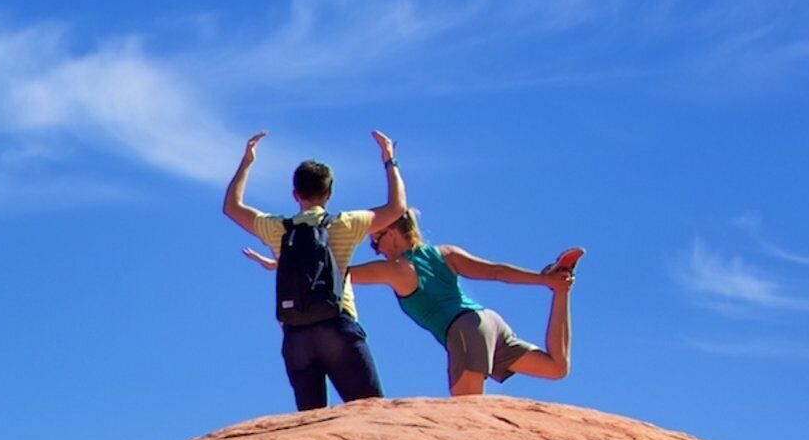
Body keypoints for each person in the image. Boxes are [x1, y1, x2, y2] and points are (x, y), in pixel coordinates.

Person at [223, 130, 407, 410]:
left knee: (311, 421)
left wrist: (247, 162)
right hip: (338, 327)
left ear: (295, 194)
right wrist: (389, 160)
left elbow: (231, 207)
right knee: (371, 414)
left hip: (296, 335)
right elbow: (397, 208)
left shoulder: (277, 229)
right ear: (329, 193)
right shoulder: (345, 223)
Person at [348, 190, 582, 396]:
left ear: (390, 232)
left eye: (375, 243)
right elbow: (496, 272)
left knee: (466, 411)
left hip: (465, 330)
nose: (377, 251)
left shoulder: (396, 269)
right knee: (556, 367)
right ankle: (560, 289)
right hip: (489, 322)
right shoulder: (445, 253)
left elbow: (339, 275)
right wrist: (545, 280)